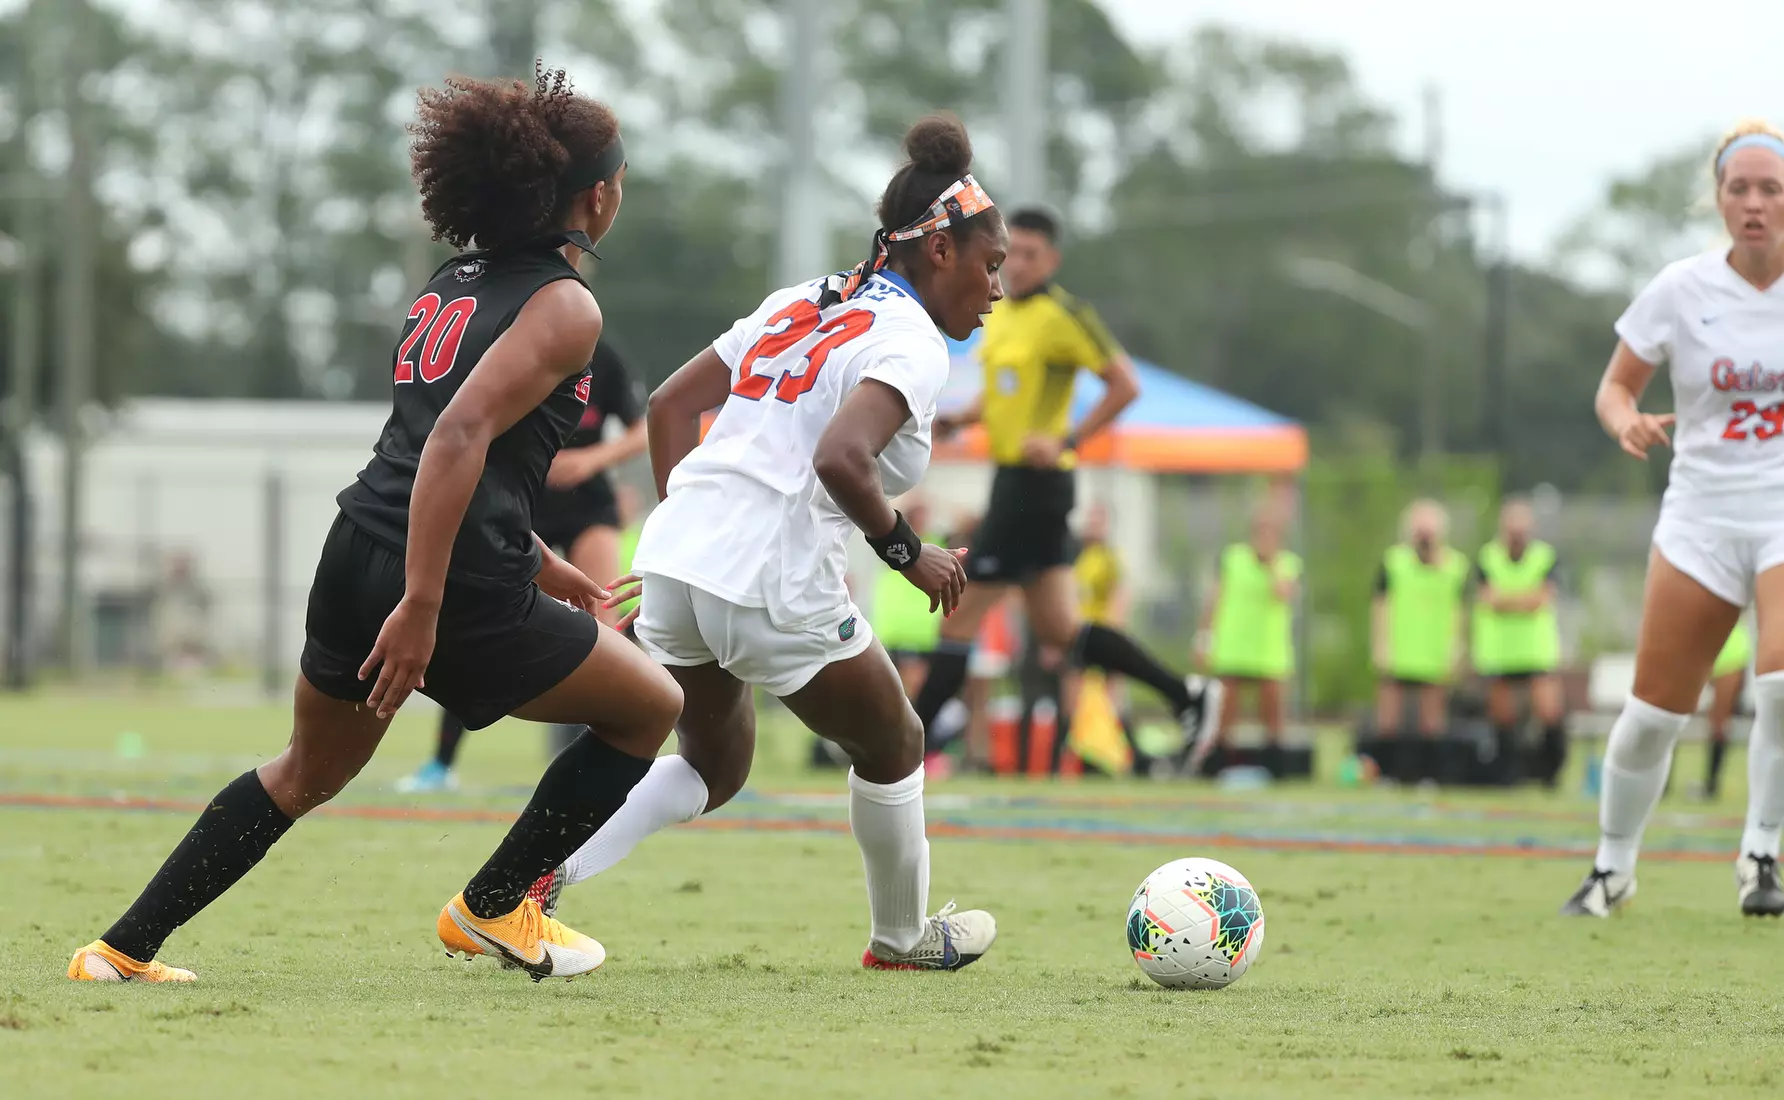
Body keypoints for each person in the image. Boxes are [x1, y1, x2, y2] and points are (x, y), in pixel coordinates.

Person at [67, 68, 682, 983]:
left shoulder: (455, 281)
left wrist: (544, 563)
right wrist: (425, 604)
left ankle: (118, 951)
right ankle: (496, 906)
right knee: (651, 706)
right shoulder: (567, 306)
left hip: (358, 544)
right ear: (597, 194)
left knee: (303, 771)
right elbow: (456, 440)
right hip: (444, 579)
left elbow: (448, 457)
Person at [559, 114, 1005, 969]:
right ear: (940, 251)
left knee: (714, 764)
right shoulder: (910, 338)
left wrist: (693, 532)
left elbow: (666, 410)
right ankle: (903, 940)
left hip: (677, 558)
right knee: (897, 744)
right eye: (990, 265)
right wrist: (914, 555)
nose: (996, 290)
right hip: (767, 570)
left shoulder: (807, 296)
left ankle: (534, 874)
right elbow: (843, 458)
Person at [1561, 120, 1784, 919]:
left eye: (1771, 188)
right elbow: (1615, 386)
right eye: (1740, 188)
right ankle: (1612, 868)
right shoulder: (1681, 288)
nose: (1755, 203)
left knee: (1782, 685)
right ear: (1719, 198)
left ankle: (1762, 853)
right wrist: (1624, 420)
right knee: (1654, 717)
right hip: (1700, 515)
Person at [908, 206, 1219, 754]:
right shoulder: (1000, 309)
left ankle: (901, 742)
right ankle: (1186, 695)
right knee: (1061, 632)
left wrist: (1068, 441)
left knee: (959, 619)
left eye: (1031, 255)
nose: (1020, 264)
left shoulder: (1064, 315)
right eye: (1013, 253)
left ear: (1051, 259)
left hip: (1034, 485)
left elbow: (1124, 384)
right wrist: (966, 417)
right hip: (1016, 482)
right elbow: (1007, 391)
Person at [398, 353, 647, 796]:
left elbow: (643, 429)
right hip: (520, 504)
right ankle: (440, 766)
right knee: (479, 621)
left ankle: (616, 766)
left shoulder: (603, 359)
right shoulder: (512, 348)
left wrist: (589, 461)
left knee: (605, 619)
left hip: (588, 505)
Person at [1191, 502, 1302, 776]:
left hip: (1269, 651)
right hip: (1233, 647)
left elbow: (1283, 593)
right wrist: (1204, 638)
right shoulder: (1232, 559)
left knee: (1273, 713)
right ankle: (1218, 766)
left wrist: (1271, 563)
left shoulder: (1288, 564)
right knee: (1225, 713)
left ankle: (1275, 769)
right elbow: (1213, 600)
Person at [1372, 499, 1470, 784]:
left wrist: (1458, 648)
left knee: (1432, 722)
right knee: (1388, 721)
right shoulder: (1394, 562)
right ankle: (1387, 775)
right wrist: (1381, 644)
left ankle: (1429, 775)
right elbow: (1380, 606)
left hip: (1434, 651)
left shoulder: (1455, 566)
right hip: (1400, 649)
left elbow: (1460, 611)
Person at [1472, 497, 1567, 787]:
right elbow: (1488, 599)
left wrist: (1507, 600)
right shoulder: (1487, 557)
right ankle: (1508, 775)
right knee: (1503, 719)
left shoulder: (1545, 557)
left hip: (1536, 652)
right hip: (1499, 651)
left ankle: (1550, 774)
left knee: (1549, 714)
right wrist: (1524, 599)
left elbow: (1542, 599)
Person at [1701, 618, 1751, 799]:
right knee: (1675, 713)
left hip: (1729, 655)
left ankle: (1711, 786)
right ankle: (1707, 786)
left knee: (1719, 725)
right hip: (1709, 648)